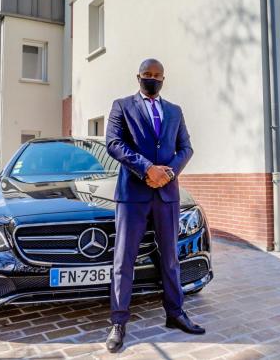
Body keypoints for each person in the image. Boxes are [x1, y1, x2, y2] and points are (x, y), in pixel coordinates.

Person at [104, 58, 205, 353]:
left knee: (171, 258)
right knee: (124, 261)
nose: (153, 78)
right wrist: (147, 169)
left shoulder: (175, 111)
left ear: (163, 78)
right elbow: (114, 143)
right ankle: (118, 322)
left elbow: (186, 148)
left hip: (167, 195)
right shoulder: (122, 106)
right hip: (132, 196)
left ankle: (175, 313)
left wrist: (168, 173)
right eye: (147, 74)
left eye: (157, 75)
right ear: (138, 77)